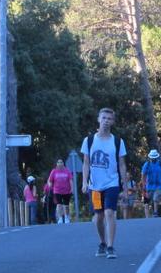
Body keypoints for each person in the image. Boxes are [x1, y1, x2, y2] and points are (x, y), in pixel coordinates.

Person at [81, 107, 127, 259]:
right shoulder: (89, 141)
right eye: (104, 118)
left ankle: (111, 246)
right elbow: (86, 163)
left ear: (113, 121)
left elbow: (122, 164)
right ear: (98, 119)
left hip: (112, 183)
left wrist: (125, 187)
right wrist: (84, 182)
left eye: (109, 118)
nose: (106, 121)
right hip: (94, 185)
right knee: (99, 217)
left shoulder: (118, 141)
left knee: (109, 212)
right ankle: (102, 242)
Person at [47, 158, 74, 224]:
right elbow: (49, 180)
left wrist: (72, 188)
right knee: (59, 205)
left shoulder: (67, 171)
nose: (60, 163)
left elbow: (70, 180)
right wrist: (50, 185)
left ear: (63, 163)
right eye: (58, 162)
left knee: (66, 205)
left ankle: (67, 217)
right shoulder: (54, 171)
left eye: (61, 162)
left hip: (66, 191)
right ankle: (60, 218)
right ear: (56, 164)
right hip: (57, 190)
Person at [141, 149, 161, 217]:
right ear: (150, 157)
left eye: (154, 157)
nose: (153, 159)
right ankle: (154, 212)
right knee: (152, 200)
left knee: (155, 198)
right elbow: (143, 175)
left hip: (159, 185)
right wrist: (143, 185)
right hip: (149, 186)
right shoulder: (147, 164)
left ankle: (155, 213)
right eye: (152, 157)